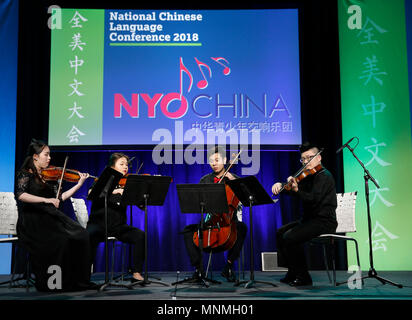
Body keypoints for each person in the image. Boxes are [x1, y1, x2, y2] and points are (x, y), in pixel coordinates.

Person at [15, 139, 94, 292]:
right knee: (61, 240)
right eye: (46, 154)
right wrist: (46, 200)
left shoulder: (49, 176)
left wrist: (79, 184)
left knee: (82, 235)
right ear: (35, 157)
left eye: (49, 155)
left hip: (51, 216)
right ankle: (54, 283)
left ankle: (77, 281)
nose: (49, 158)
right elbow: (21, 195)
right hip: (33, 219)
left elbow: (60, 198)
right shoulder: (26, 174)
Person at [271, 142, 337, 286]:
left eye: (309, 158)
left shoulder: (324, 176)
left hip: (324, 221)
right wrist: (281, 185)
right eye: (303, 159)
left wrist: (296, 190)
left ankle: (304, 277)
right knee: (280, 232)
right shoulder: (307, 176)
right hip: (309, 220)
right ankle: (292, 271)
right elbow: (293, 189)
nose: (306, 162)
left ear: (319, 158)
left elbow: (313, 199)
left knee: (291, 237)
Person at [182, 146, 247, 282]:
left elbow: (244, 199)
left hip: (229, 221)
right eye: (211, 161)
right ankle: (198, 269)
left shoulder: (234, 178)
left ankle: (228, 266)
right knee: (188, 231)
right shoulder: (205, 180)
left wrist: (234, 183)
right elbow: (199, 203)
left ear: (225, 160)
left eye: (217, 160)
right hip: (210, 220)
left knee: (242, 228)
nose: (214, 163)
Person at [87, 153, 145, 283]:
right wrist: (115, 191)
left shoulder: (127, 184)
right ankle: (84, 276)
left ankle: (136, 273)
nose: (125, 167)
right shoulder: (101, 180)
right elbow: (91, 193)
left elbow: (138, 203)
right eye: (121, 164)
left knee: (140, 235)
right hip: (98, 224)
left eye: (126, 165)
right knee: (88, 236)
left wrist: (141, 201)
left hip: (118, 226)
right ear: (112, 166)